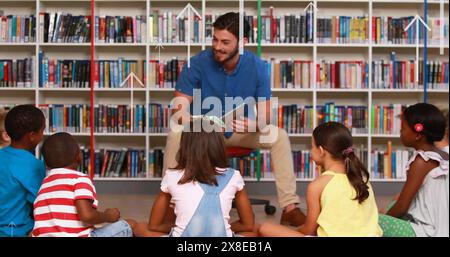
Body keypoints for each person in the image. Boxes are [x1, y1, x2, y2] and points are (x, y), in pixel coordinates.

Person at [164, 12, 305, 226]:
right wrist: (201, 122)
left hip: (240, 131)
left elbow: (266, 114)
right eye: (215, 39)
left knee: (279, 136)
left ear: (243, 42)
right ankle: (171, 206)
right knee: (176, 132)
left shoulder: (258, 66)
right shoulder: (197, 63)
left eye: (225, 42)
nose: (218, 46)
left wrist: (257, 124)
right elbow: (179, 112)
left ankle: (290, 207)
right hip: (203, 133)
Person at [134, 118, 256, 237]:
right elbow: (248, 225)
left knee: (140, 227)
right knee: (255, 231)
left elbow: (154, 226)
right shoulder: (234, 176)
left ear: (184, 147)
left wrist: (176, 227)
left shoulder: (172, 176)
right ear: (219, 146)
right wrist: (223, 227)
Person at [259, 122, 382, 237]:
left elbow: (310, 230)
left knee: (265, 228)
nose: (310, 150)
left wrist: (292, 232)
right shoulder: (362, 179)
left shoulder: (317, 185)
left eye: (312, 146)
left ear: (321, 151)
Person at [32, 132, 136, 237]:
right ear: (79, 156)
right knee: (130, 224)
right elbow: (86, 216)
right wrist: (108, 216)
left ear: (46, 164)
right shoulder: (79, 179)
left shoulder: (44, 185)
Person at [379, 103, 449, 237]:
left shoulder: (422, 161)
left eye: (403, 128)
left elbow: (402, 206)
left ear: (418, 135)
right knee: (389, 207)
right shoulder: (444, 155)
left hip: (427, 231)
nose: (400, 132)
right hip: (443, 226)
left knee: (371, 220)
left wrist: (386, 221)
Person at [0, 105, 46, 237]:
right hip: (16, 231)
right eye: (42, 131)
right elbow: (40, 202)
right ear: (32, 136)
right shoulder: (34, 165)